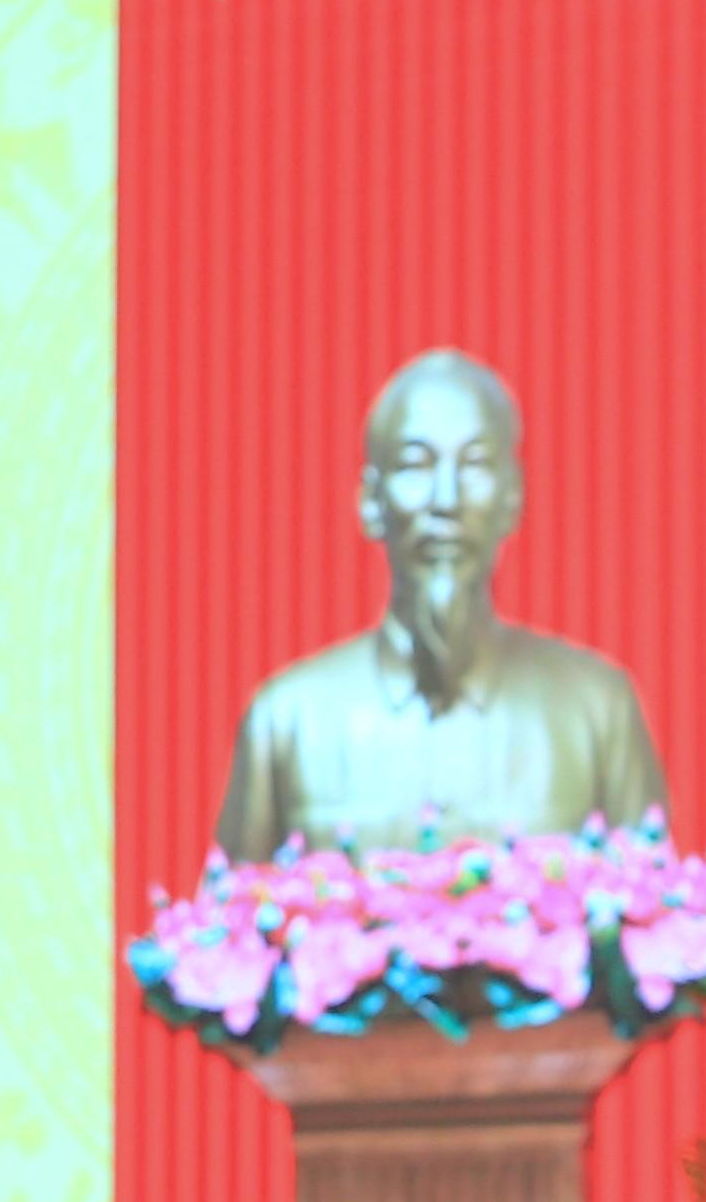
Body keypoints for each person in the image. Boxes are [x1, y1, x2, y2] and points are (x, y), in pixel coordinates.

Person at [214, 347, 665, 860]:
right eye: (416, 465)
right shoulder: (288, 721)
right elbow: (232, 905)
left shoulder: (597, 712)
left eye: (475, 465)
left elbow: (658, 902)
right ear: (371, 501)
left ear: (513, 496)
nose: (446, 500)